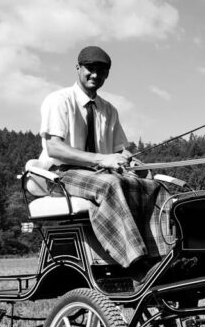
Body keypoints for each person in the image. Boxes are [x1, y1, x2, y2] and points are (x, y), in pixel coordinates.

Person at [37, 45, 173, 270]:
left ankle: (164, 257)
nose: (95, 75)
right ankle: (136, 263)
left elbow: (120, 152)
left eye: (102, 71)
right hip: (59, 174)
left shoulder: (109, 110)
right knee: (111, 184)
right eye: (90, 69)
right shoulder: (58, 100)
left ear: (107, 74)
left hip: (96, 174)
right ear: (78, 68)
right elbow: (54, 148)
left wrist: (131, 162)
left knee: (153, 186)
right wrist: (102, 159)